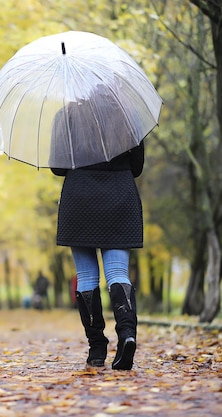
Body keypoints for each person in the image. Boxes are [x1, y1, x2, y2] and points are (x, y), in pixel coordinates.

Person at [49, 94, 143, 371]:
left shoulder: (65, 116)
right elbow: (137, 166)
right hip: (119, 196)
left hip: (80, 197)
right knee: (117, 274)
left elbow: (57, 167)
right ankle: (127, 335)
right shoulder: (128, 113)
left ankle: (97, 348)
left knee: (88, 276)